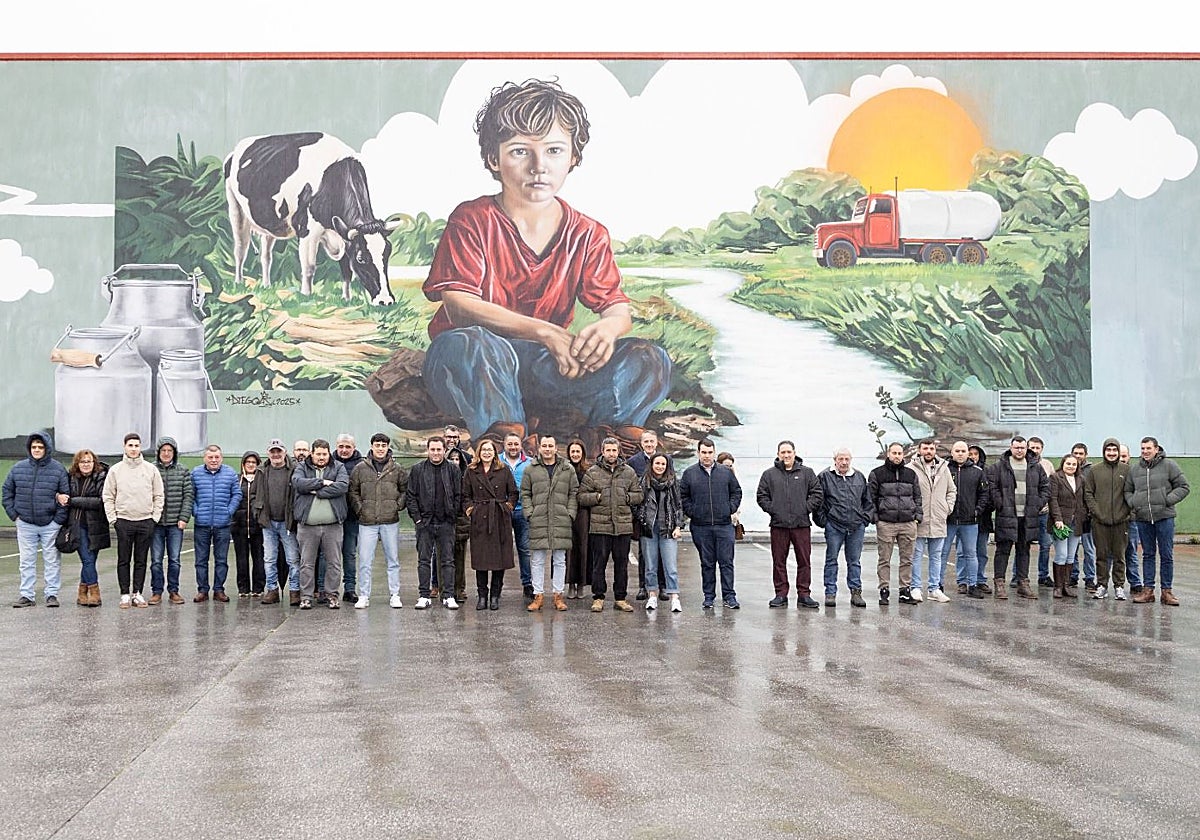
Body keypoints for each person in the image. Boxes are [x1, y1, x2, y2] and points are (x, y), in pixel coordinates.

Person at [420, 78, 671, 447]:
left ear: (573, 157)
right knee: (474, 345)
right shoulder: (472, 219)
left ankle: (605, 437)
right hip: (471, 362)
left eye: (554, 150)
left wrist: (609, 329)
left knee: (649, 358)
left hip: (547, 365)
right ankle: (506, 443)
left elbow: (616, 307)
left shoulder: (587, 232)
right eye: (520, 151)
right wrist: (546, 331)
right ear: (494, 158)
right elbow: (458, 306)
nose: (539, 166)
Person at [3, 431, 69, 608]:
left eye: (40, 447)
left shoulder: (58, 469)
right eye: (34, 447)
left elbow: (66, 496)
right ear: (29, 448)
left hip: (50, 524)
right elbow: (6, 492)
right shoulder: (18, 468)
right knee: (26, 561)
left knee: (52, 560)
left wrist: (57, 521)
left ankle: (52, 595)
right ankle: (27, 595)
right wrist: (15, 516)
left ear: (47, 449)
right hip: (25, 524)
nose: (37, 450)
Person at [579, 437, 643, 612]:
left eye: (614, 450)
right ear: (603, 451)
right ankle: (598, 597)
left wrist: (628, 498)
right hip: (600, 527)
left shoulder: (628, 472)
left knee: (621, 564)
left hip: (623, 527)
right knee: (599, 563)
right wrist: (597, 497)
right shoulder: (592, 472)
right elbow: (582, 497)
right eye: (608, 450)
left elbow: (639, 495)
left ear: (618, 451)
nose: (611, 454)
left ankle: (620, 598)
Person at [756, 440, 823, 609]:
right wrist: (773, 510)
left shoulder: (807, 473)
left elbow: (817, 493)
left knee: (804, 561)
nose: (786, 455)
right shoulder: (769, 474)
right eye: (783, 452)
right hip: (779, 525)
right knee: (779, 561)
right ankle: (781, 594)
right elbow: (761, 496)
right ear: (778, 454)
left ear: (794, 453)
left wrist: (805, 508)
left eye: (789, 452)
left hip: (801, 525)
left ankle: (804, 594)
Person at [1124, 437, 1190, 605]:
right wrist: (1135, 503)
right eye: (1143, 448)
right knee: (1148, 554)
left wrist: (1167, 500)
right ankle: (1148, 591)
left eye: (1148, 448)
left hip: (1164, 517)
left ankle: (1167, 592)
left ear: (1156, 449)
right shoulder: (1135, 469)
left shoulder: (1169, 465)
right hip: (1143, 518)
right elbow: (1128, 491)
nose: (1145, 451)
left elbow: (1183, 486)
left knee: (1166, 554)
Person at [103, 433, 165, 609]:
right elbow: (108, 496)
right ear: (124, 447)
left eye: (137, 445)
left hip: (145, 521)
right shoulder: (115, 470)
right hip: (123, 521)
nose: (133, 449)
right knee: (123, 560)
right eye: (130, 445)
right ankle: (124, 594)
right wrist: (113, 519)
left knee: (141, 560)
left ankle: (137, 593)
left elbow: (158, 495)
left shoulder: (151, 469)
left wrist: (154, 518)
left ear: (140, 448)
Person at [984, 436, 1050, 600]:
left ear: (1026, 448)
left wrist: (1036, 505)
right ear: (1011, 448)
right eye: (1016, 447)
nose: (1019, 450)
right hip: (1007, 516)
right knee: (1002, 550)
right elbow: (993, 488)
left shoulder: (1036, 467)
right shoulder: (999, 467)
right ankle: (999, 584)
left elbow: (1045, 488)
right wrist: (1001, 504)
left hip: (1027, 517)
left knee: (1024, 550)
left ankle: (1023, 583)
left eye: (1022, 447)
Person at [349, 433, 409, 610]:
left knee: (393, 559)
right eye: (377, 445)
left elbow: (406, 490)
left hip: (390, 520)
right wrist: (360, 508)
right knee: (365, 560)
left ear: (387, 447)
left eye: (383, 445)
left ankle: (395, 594)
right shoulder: (360, 468)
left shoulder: (397, 468)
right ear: (372, 446)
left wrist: (397, 505)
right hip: (367, 521)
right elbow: (353, 491)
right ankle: (364, 595)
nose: (380, 448)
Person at [680, 438, 742, 610]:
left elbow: (736, 491)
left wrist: (729, 508)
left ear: (714, 452)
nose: (707, 456)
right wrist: (693, 512)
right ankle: (709, 597)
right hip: (701, 526)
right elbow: (683, 496)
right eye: (703, 452)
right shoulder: (689, 473)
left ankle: (729, 596)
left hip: (723, 525)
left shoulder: (725, 472)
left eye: (709, 452)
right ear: (698, 453)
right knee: (707, 563)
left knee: (726, 562)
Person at [521, 435, 578, 612]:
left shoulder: (567, 468)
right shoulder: (531, 469)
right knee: (537, 559)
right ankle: (538, 596)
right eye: (544, 445)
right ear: (539, 448)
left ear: (555, 448)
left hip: (561, 519)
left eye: (550, 445)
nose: (547, 449)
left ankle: (558, 596)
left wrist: (570, 513)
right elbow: (525, 493)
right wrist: (530, 513)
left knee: (560, 559)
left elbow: (573, 492)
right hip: (538, 519)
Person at [292, 439, 350, 610]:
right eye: (318, 454)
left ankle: (332, 595)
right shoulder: (302, 467)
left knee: (334, 563)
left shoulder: (338, 467)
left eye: (325, 454)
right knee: (306, 563)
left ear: (329, 453)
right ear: (312, 453)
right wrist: (323, 482)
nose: (321, 457)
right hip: (307, 526)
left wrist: (316, 492)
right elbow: (298, 483)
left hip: (333, 525)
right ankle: (307, 597)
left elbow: (342, 486)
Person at [406, 436, 462, 610]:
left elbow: (459, 495)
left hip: (446, 522)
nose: (436, 453)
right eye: (433, 449)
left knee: (448, 561)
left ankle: (449, 595)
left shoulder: (453, 470)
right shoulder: (417, 470)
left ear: (444, 450)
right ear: (427, 450)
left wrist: (453, 515)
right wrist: (418, 519)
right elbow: (411, 496)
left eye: (439, 449)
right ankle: (424, 595)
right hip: (425, 523)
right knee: (424, 560)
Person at [813, 447, 873, 608]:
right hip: (834, 526)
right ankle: (830, 593)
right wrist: (824, 521)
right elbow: (818, 501)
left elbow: (868, 501)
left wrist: (865, 519)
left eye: (847, 459)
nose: (844, 462)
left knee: (854, 561)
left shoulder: (859, 476)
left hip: (856, 527)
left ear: (850, 460)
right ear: (835, 460)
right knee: (831, 560)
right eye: (841, 459)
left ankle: (856, 592)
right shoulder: (825, 476)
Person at [464, 438, 518, 610]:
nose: (487, 452)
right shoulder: (471, 471)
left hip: (500, 519)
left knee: (499, 559)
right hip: (480, 519)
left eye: (490, 450)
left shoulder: (503, 470)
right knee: (481, 559)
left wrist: (508, 507)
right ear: (479, 452)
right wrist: (471, 510)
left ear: (495, 453)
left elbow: (513, 493)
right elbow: (464, 495)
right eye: (484, 449)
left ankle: (495, 595)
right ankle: (482, 596)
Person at [868, 442, 922, 606]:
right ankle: (884, 590)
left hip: (908, 523)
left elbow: (918, 497)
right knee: (884, 559)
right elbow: (871, 497)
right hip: (886, 523)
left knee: (907, 559)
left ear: (903, 455)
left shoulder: (911, 474)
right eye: (894, 453)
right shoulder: (877, 474)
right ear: (888, 454)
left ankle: (904, 591)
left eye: (900, 453)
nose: (897, 456)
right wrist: (875, 518)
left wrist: (917, 516)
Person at [190, 444, 241, 603]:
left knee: (221, 560)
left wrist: (229, 511)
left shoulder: (230, 473)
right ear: (204, 458)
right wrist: (196, 511)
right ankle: (202, 590)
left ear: (221, 458)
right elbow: (190, 495)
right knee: (200, 560)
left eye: (216, 457)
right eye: (210, 457)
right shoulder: (196, 473)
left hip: (223, 525)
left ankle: (219, 589)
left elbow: (237, 494)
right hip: (202, 524)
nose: (213, 460)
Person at [1084, 438, 1131, 601]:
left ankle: (1119, 586)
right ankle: (1102, 585)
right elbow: (1088, 493)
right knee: (1101, 555)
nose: (1111, 453)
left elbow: (1131, 494)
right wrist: (1097, 513)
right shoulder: (1095, 470)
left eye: (1114, 450)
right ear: (1104, 452)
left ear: (1118, 452)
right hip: (1100, 522)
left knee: (1120, 556)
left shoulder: (1126, 470)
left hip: (1121, 521)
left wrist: (1124, 513)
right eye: (1108, 450)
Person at [910, 439, 956, 603]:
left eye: (931, 448)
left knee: (936, 556)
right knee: (916, 555)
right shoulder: (911, 468)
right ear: (919, 450)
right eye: (925, 448)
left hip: (938, 518)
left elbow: (952, 490)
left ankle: (934, 589)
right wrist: (913, 512)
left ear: (935, 450)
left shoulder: (944, 468)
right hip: (919, 519)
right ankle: (915, 587)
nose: (928, 451)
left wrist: (947, 508)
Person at [636, 452, 684, 612]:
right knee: (650, 565)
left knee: (670, 566)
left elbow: (678, 506)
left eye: (663, 464)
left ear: (667, 466)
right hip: (649, 529)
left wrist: (678, 526)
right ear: (652, 464)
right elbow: (638, 504)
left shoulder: (673, 483)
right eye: (657, 463)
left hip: (668, 528)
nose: (660, 466)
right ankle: (652, 596)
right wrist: (641, 519)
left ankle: (675, 597)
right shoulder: (644, 482)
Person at [626, 429, 671, 601]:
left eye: (652, 441)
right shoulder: (634, 462)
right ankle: (643, 586)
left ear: (656, 442)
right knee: (645, 554)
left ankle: (663, 587)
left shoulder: (665, 460)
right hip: (644, 515)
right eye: (646, 442)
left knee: (662, 553)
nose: (649, 444)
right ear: (641, 443)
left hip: (661, 513)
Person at [257, 439, 300, 606]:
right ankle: (272, 590)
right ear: (268, 453)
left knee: (293, 559)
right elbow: (255, 495)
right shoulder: (262, 471)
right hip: (268, 523)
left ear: (285, 452)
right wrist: (258, 513)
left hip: (287, 523)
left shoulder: (294, 470)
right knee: (269, 559)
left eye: (279, 451)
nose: (276, 454)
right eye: (272, 451)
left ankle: (295, 591)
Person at [150, 437, 193, 605]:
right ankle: (156, 591)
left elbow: (188, 496)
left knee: (174, 559)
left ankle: (174, 591)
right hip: (156, 524)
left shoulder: (183, 470)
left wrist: (183, 518)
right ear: (158, 453)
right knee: (156, 560)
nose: (166, 454)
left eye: (170, 451)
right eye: (163, 451)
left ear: (174, 453)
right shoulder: (151, 469)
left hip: (176, 524)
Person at [64, 450, 109, 607]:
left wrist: (73, 501)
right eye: (82, 462)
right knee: (87, 559)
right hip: (77, 525)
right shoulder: (71, 478)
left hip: (96, 525)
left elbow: (100, 501)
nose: (86, 465)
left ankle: (82, 592)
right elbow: (64, 496)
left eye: (89, 461)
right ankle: (95, 593)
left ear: (94, 463)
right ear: (77, 463)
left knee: (90, 560)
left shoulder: (101, 476)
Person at [945, 441, 987, 599]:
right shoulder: (945, 470)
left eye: (963, 451)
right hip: (948, 520)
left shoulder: (977, 472)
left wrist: (977, 511)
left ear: (968, 453)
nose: (961, 453)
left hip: (970, 521)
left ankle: (973, 585)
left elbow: (984, 494)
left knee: (971, 553)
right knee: (943, 553)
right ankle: (938, 586)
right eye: (957, 450)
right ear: (952, 452)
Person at [327, 433, 363, 602]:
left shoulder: (361, 465)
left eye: (348, 447)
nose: (344, 450)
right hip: (331, 517)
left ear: (353, 448)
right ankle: (324, 589)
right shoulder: (329, 463)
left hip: (351, 517)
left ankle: (349, 589)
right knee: (327, 556)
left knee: (349, 554)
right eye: (341, 446)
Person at [499, 432, 534, 600]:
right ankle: (497, 586)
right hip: (501, 511)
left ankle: (527, 584)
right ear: (504, 445)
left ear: (521, 445)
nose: (513, 447)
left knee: (524, 549)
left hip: (522, 511)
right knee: (500, 549)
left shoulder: (530, 463)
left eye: (516, 444)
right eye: (510, 444)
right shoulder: (496, 461)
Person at [1049, 454, 1086, 599]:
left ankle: (1066, 586)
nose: (1071, 466)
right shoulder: (1055, 477)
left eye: (1074, 464)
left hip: (1076, 522)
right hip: (1060, 523)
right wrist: (1057, 519)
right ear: (1063, 464)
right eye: (1068, 463)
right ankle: (1057, 587)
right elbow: (1052, 499)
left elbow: (1083, 500)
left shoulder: (1081, 479)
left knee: (1071, 555)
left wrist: (1084, 516)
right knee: (1062, 554)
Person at [443, 424, 472, 604]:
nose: (452, 440)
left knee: (459, 554)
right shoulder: (436, 457)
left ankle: (459, 588)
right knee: (440, 555)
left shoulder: (466, 459)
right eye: (449, 437)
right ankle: (439, 586)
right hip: (440, 516)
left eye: (454, 437)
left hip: (460, 515)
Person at [231, 451, 265, 597]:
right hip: (239, 527)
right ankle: (243, 588)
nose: (251, 465)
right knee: (241, 558)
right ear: (243, 464)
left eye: (254, 462)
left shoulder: (262, 481)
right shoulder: (236, 480)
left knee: (259, 558)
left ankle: (258, 588)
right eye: (248, 462)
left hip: (258, 527)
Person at [1026, 436, 1055, 588]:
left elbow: (1051, 488)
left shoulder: (1048, 465)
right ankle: (1019, 577)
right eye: (1032, 447)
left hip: (1044, 512)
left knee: (1045, 545)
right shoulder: (1022, 463)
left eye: (1038, 448)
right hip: (1026, 513)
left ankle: (1043, 575)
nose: (1035, 451)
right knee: (1022, 545)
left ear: (1042, 449)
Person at [564, 438, 591, 599]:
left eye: (577, 451)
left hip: (583, 514)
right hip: (566, 512)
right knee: (568, 550)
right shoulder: (564, 469)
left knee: (583, 548)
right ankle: (570, 584)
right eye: (572, 451)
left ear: (582, 454)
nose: (575, 454)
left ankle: (581, 583)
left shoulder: (588, 470)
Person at [1069, 442, 1097, 593]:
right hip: (1072, 517)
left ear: (1086, 455)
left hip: (1087, 517)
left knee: (1089, 549)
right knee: (1071, 549)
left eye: (1081, 453)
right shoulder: (1068, 469)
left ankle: (1090, 578)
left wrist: (1091, 512)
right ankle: (1072, 576)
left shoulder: (1091, 471)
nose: (1078, 456)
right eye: (1075, 453)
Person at [967, 445, 993, 594]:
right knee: (964, 551)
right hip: (965, 518)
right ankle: (963, 580)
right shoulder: (960, 471)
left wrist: (982, 509)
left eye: (975, 454)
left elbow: (990, 494)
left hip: (983, 518)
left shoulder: (987, 472)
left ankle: (980, 579)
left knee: (981, 551)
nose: (972, 456)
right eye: (970, 453)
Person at [1119, 444, 1144, 596]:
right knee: (1109, 553)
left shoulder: (1135, 473)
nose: (1122, 459)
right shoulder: (1110, 473)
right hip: (1113, 519)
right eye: (1119, 455)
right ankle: (1104, 582)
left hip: (1132, 519)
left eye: (1124, 456)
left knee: (1131, 551)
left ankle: (1135, 582)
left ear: (1129, 457)